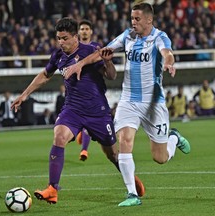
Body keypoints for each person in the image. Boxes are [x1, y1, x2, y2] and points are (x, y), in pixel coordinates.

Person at [64, 3, 191, 207]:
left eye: (137, 19)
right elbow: (102, 51)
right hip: (129, 100)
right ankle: (132, 194)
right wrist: (80, 63)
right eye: (132, 18)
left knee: (160, 157)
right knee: (124, 141)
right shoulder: (128, 36)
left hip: (153, 103)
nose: (133, 22)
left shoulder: (160, 37)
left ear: (149, 20)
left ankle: (173, 138)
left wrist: (169, 62)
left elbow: (167, 52)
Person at [11, 17, 145, 205]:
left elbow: (112, 76)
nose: (61, 42)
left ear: (75, 37)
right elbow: (45, 75)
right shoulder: (58, 56)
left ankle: (132, 179)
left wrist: (107, 62)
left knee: (112, 154)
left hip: (97, 112)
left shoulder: (91, 51)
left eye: (65, 38)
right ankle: (52, 188)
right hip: (72, 109)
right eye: (58, 38)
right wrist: (24, 95)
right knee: (59, 136)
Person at [75, 19, 102, 161]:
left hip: (92, 90)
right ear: (78, 32)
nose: (84, 31)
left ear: (91, 32)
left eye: (87, 29)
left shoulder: (96, 47)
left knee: (88, 122)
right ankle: (80, 132)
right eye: (82, 29)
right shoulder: (73, 48)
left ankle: (84, 150)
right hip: (76, 91)